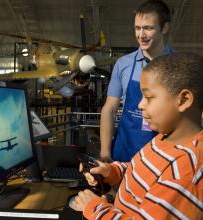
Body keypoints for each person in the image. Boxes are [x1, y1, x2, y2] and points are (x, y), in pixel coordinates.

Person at [73, 52, 203, 219]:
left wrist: (95, 207)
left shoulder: (185, 172)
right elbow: (141, 171)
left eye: (148, 97)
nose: (140, 105)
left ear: (184, 100)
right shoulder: (165, 138)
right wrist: (111, 172)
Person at [100, 0, 173, 162]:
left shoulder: (177, 65)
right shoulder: (123, 64)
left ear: (165, 28)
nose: (141, 35)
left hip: (163, 155)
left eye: (148, 28)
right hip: (124, 152)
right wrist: (105, 153)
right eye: (137, 28)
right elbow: (109, 109)